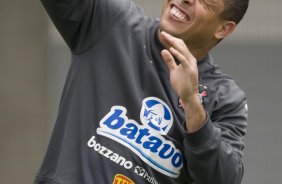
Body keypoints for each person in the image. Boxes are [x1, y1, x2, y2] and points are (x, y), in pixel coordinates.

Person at [34, 0, 249, 183]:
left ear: (223, 29)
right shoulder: (112, 24)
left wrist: (191, 101)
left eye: (205, 1)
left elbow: (223, 178)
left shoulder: (226, 98)